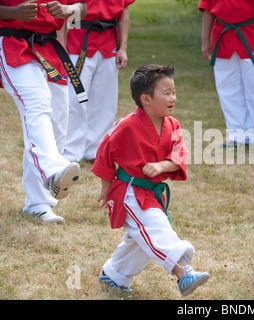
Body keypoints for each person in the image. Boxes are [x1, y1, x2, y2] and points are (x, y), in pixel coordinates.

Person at [91, 64, 209, 295]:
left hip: (152, 192)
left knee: (142, 239)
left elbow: (179, 153)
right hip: (130, 191)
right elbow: (105, 150)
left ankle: (113, 276)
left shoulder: (172, 125)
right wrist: (105, 188)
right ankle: (182, 272)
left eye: (174, 92)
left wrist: (161, 166)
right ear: (146, 99)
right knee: (155, 228)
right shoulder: (127, 126)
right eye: (166, 93)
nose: (173, 97)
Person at [0, 0, 87, 224]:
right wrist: (13, 12)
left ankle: (39, 204)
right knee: (37, 103)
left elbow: (82, 8)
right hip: (12, 41)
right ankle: (54, 170)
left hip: (49, 46)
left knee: (57, 121)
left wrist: (69, 11)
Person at [199, 0, 254, 148]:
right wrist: (205, 40)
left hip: (253, 35)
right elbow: (207, 8)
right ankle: (236, 135)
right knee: (227, 88)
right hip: (223, 36)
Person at [63, 0, 134, 163]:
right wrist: (62, 44)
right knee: (74, 99)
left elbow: (123, 11)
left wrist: (123, 47)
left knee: (105, 100)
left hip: (108, 43)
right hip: (78, 41)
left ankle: (96, 150)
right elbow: (62, 13)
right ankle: (70, 151)